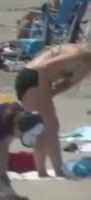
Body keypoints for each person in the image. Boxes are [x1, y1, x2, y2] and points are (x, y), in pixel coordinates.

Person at [15, 43, 91, 177]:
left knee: (49, 126)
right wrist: (45, 95)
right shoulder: (76, 54)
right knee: (43, 126)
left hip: (39, 81)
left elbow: (68, 83)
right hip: (32, 77)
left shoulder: (86, 65)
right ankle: (47, 171)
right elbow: (44, 68)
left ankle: (53, 169)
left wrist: (51, 94)